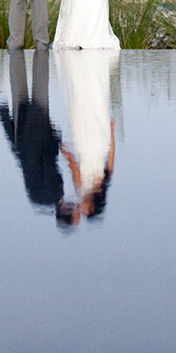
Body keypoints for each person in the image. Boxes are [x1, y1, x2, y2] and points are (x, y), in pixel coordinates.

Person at [54, 49, 117, 228]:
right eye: (85, 208)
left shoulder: (89, 186)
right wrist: (62, 146)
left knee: (88, 106)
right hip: (91, 143)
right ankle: (86, 72)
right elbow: (72, 162)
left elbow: (74, 164)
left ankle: (87, 71)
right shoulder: (92, 184)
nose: (81, 207)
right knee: (85, 106)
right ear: (93, 204)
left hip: (95, 143)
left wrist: (111, 134)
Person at [0, 48, 63, 213]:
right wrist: (3, 114)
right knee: (18, 87)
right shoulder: (35, 199)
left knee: (40, 84)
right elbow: (18, 155)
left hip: (39, 128)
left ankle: (37, 56)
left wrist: (56, 138)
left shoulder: (55, 193)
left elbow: (49, 161)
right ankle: (19, 59)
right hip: (22, 134)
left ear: (67, 211)